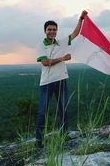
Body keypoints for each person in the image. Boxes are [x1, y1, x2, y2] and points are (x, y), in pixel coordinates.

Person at [36, 10, 88, 148]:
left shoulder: (61, 43)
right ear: (45, 31)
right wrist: (63, 58)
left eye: (54, 29)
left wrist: (81, 19)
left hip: (61, 81)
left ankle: (64, 137)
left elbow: (75, 34)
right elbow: (45, 62)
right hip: (46, 83)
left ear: (57, 31)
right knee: (42, 111)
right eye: (49, 29)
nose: (52, 32)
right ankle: (39, 142)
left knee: (64, 110)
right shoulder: (41, 45)